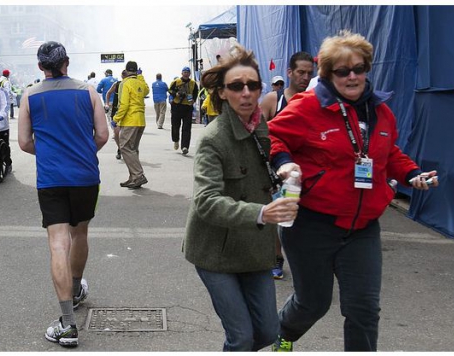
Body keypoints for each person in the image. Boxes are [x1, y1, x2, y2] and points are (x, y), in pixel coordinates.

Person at [268, 30, 439, 352]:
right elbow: (271, 136)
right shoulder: (306, 107)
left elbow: (389, 155)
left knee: (363, 310)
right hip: (312, 225)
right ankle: (282, 334)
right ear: (328, 75)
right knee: (313, 303)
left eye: (359, 68)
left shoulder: (381, 112)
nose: (352, 76)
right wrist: (285, 162)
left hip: (363, 228)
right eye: (343, 71)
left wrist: (413, 173)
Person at [183, 44, 300, 351]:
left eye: (253, 85)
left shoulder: (260, 125)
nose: (246, 93)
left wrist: (284, 166)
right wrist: (262, 214)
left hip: (254, 249)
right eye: (236, 86)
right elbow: (206, 201)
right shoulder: (213, 139)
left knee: (267, 333)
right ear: (222, 93)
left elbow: (272, 152)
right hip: (215, 251)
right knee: (241, 337)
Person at [17, 41, 109, 347]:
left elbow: (24, 142)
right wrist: (82, 152)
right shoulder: (88, 92)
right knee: (80, 233)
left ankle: (68, 325)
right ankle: (76, 287)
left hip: (52, 178)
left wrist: (50, 155)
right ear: (66, 62)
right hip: (85, 176)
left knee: (58, 244)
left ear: (41, 67)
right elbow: (102, 135)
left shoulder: (30, 95)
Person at [261, 51, 314, 280]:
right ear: (289, 72)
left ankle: (308, 264)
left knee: (306, 221)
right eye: (301, 72)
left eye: (310, 73)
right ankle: (276, 258)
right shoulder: (275, 99)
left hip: (308, 173)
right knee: (277, 218)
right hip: (278, 172)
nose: (305, 77)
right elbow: (260, 132)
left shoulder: (317, 100)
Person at [113, 61, 149, 189]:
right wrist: (141, 76)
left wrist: (116, 118)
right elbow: (146, 91)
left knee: (125, 148)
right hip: (141, 121)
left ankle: (138, 175)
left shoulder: (125, 83)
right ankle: (133, 178)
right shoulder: (140, 82)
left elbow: (124, 104)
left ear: (126, 71)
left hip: (130, 121)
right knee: (133, 149)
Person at [168, 66, 198, 155]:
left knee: (187, 128)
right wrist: (176, 94)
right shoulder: (176, 82)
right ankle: (176, 140)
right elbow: (169, 90)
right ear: (182, 73)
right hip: (176, 106)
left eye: (187, 72)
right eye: (184, 72)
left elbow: (196, 92)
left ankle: (185, 146)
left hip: (187, 107)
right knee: (175, 126)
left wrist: (194, 100)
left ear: (189, 74)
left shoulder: (193, 83)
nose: (186, 74)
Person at [105, 70, 128, 160]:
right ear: (122, 76)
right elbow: (108, 93)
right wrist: (107, 103)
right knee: (116, 134)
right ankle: (120, 148)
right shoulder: (117, 84)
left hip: (127, 112)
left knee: (126, 134)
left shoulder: (131, 84)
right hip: (116, 111)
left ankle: (125, 150)